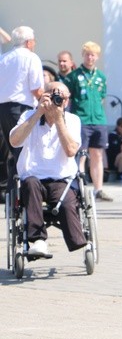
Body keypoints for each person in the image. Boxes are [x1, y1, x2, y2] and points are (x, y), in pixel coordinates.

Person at [9, 81, 86, 258]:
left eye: (60, 97)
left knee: (67, 203)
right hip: (32, 176)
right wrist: (39, 112)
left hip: (61, 178)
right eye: (52, 95)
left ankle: (78, 241)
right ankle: (38, 240)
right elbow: (14, 141)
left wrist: (58, 119)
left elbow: (71, 151)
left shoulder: (73, 120)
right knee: (30, 185)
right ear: (44, 96)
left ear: (66, 101)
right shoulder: (29, 115)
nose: (56, 100)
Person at [64, 41, 112, 202]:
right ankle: (79, 188)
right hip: (81, 119)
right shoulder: (74, 76)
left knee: (97, 154)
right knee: (81, 154)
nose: (90, 57)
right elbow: (67, 98)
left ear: (97, 57)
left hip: (98, 119)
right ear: (83, 56)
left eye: (93, 55)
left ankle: (99, 189)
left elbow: (102, 97)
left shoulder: (101, 77)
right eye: (87, 54)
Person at [0, 26, 44, 192]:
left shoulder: (3, 58)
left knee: (14, 149)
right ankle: (22, 191)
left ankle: (14, 191)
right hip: (21, 108)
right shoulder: (31, 58)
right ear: (29, 42)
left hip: (3, 108)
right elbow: (36, 89)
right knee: (24, 150)